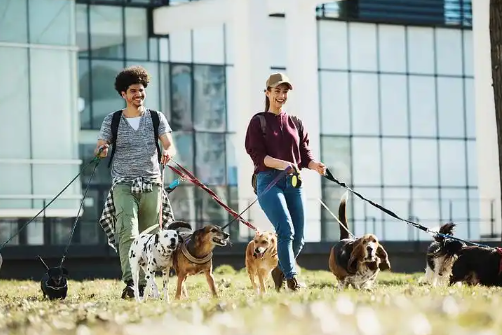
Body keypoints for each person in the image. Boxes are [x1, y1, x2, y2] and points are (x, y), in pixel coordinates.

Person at [95, 65, 177, 299]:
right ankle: (133, 284)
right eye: (133, 91)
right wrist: (102, 149)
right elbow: (100, 146)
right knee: (128, 233)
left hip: (152, 182)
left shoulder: (155, 117)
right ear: (123, 94)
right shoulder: (112, 120)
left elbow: (168, 144)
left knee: (150, 235)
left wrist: (168, 152)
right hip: (123, 184)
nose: (138, 94)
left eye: (141, 90)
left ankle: (148, 282)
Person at [244, 73, 327, 291]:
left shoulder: (295, 122)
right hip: (268, 182)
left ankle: (280, 270)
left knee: (299, 237)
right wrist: (284, 164)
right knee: (286, 230)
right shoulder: (258, 122)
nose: (281, 95)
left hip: (293, 183)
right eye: (277, 91)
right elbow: (259, 157)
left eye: (285, 91)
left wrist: (314, 165)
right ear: (268, 93)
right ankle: (292, 279)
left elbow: (305, 155)